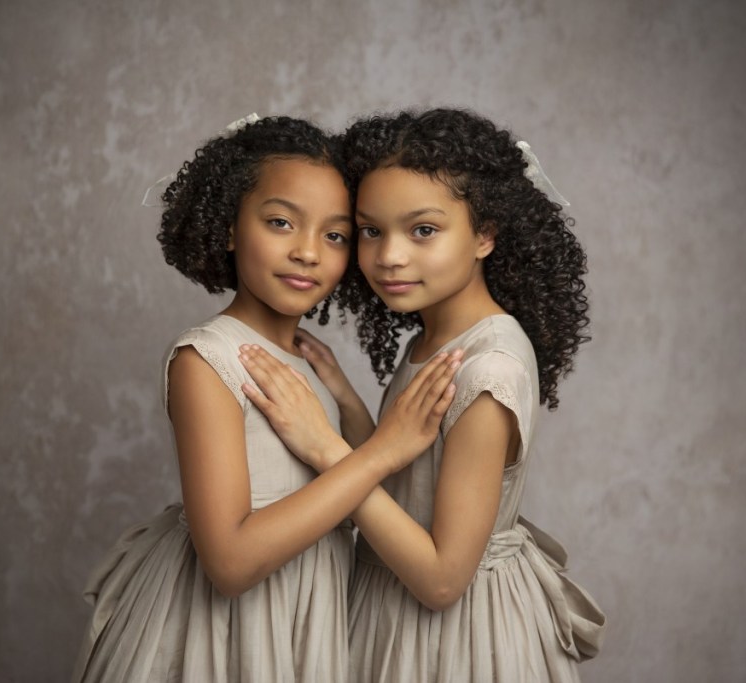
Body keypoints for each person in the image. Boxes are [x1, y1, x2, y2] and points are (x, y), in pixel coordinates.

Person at [71, 115, 462, 683]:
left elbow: (354, 494)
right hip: (226, 631)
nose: (308, 252)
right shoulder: (208, 360)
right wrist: (383, 451)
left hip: (305, 618)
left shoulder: (310, 360)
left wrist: (350, 407)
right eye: (281, 222)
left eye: (335, 235)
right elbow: (229, 564)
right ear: (230, 227)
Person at [238, 108, 607, 682]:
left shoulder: (488, 371)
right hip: (388, 603)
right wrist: (346, 398)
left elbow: (441, 579)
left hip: (454, 638)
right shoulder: (433, 337)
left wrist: (324, 448)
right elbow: (407, 476)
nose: (390, 256)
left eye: (424, 230)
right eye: (371, 230)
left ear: (485, 233)